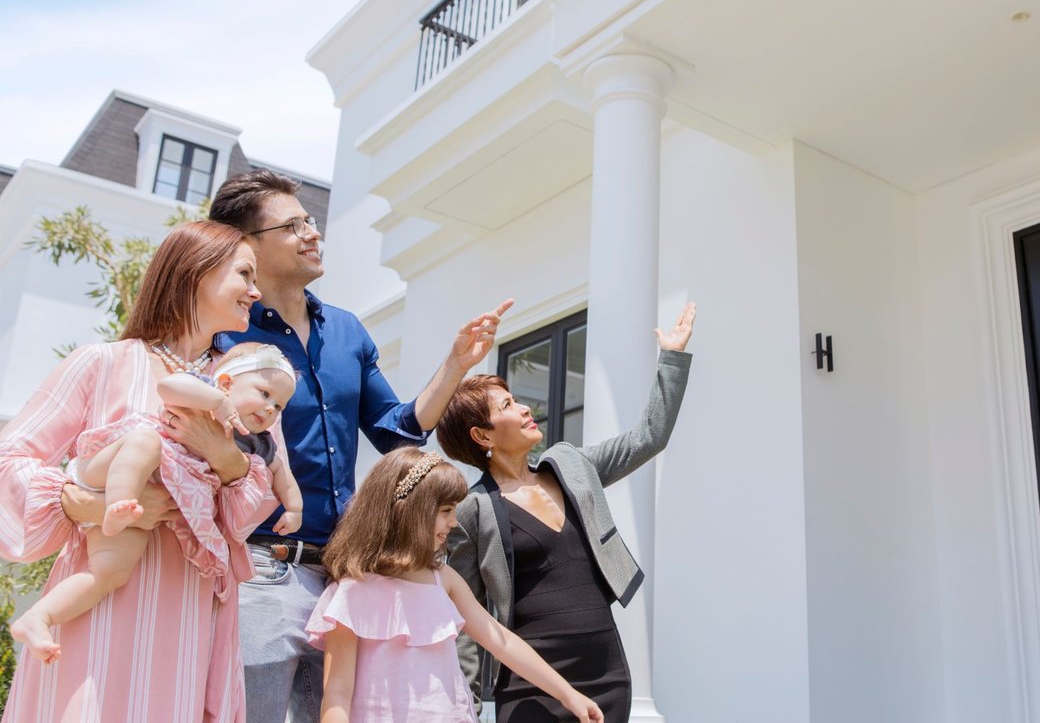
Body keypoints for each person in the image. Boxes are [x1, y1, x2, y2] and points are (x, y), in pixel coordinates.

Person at [208, 168, 512, 723]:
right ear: (247, 243)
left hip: (340, 576)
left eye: (309, 221)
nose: (312, 233)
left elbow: (395, 432)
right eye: (292, 225)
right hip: (258, 568)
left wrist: (455, 365)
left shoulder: (347, 330)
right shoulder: (223, 333)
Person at [0, 220, 279, 722]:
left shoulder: (247, 386)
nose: (256, 292)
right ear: (197, 271)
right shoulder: (102, 364)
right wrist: (85, 503)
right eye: (244, 274)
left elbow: (250, 514)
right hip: (96, 601)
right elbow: (8, 462)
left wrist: (220, 453)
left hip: (191, 615)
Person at [438, 302, 696, 722]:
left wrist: (672, 357)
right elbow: (467, 618)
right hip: (529, 685)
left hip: (606, 671)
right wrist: (465, 708)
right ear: (483, 435)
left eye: (517, 399)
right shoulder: (472, 510)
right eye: (507, 405)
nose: (524, 408)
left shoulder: (572, 466)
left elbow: (649, 437)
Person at [9, 340, 301, 664]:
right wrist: (216, 400)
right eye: (264, 393)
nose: (271, 408)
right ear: (227, 382)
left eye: (279, 405)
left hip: (139, 512)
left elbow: (282, 473)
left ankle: (39, 617)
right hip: (110, 470)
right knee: (146, 441)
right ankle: (117, 503)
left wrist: (294, 508)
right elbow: (168, 387)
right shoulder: (204, 392)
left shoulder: (258, 442)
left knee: (109, 574)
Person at [306, 448, 604, 723]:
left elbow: (502, 641)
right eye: (446, 511)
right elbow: (337, 693)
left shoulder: (444, 580)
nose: (453, 522)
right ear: (412, 511)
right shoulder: (352, 591)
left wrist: (568, 694)